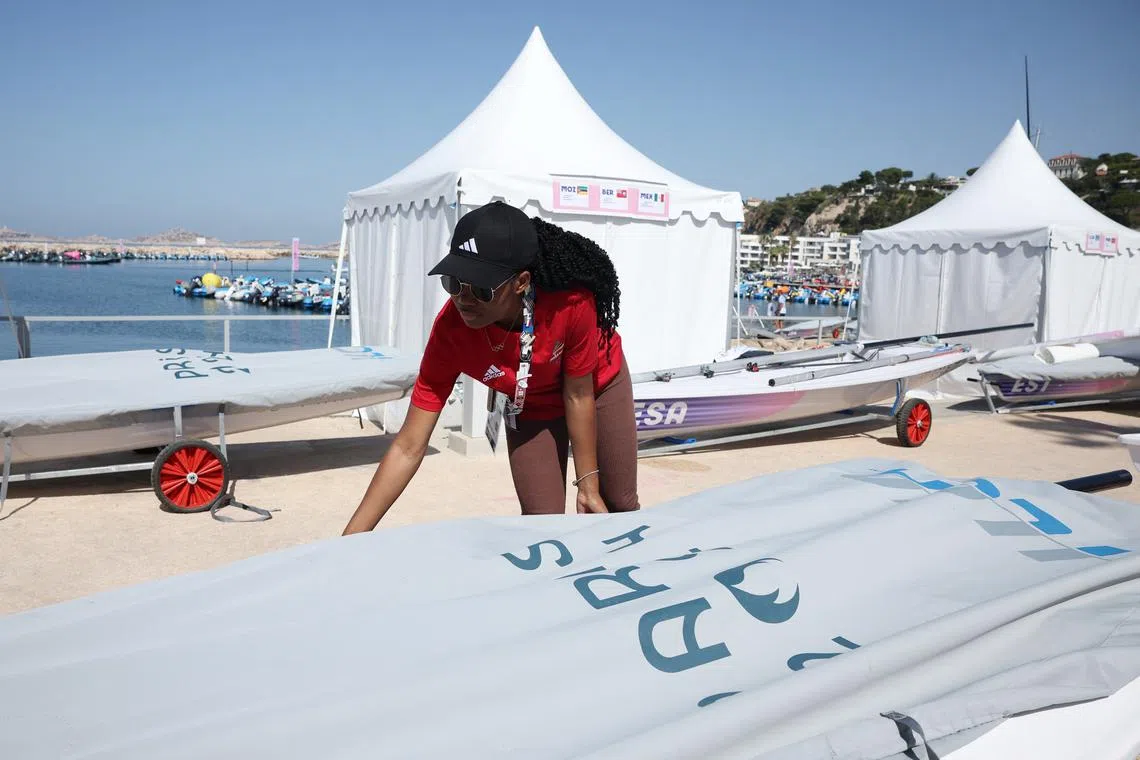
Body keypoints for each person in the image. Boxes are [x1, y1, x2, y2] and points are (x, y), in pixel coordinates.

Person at [342, 201, 640, 533]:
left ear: (521, 282)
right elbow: (409, 446)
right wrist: (350, 539)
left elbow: (578, 395)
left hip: (595, 386)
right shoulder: (450, 331)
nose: (463, 299)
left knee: (618, 505)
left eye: (481, 288)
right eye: (454, 282)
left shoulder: (570, 304)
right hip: (530, 403)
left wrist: (587, 482)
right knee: (542, 526)